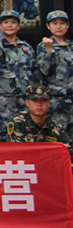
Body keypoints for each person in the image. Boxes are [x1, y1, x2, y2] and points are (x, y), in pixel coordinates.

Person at [0, 10, 37, 142]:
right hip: (4, 98)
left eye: (13, 22)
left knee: (25, 132)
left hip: (24, 97)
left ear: (19, 26)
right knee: (3, 133)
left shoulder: (26, 48)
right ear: (1, 25)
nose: (9, 25)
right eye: (6, 22)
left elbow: (34, 71)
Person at [36, 10, 73, 140]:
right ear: (48, 26)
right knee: (57, 136)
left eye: (62, 23)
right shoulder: (43, 46)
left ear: (67, 25)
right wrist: (49, 50)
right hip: (55, 100)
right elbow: (45, 71)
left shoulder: (71, 46)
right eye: (55, 23)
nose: (59, 27)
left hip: (71, 98)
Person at [7, 84, 72, 159]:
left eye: (43, 100)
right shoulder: (18, 123)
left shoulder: (55, 127)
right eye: (34, 100)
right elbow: (17, 151)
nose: (39, 104)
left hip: (47, 163)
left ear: (49, 103)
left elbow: (68, 150)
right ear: (27, 103)